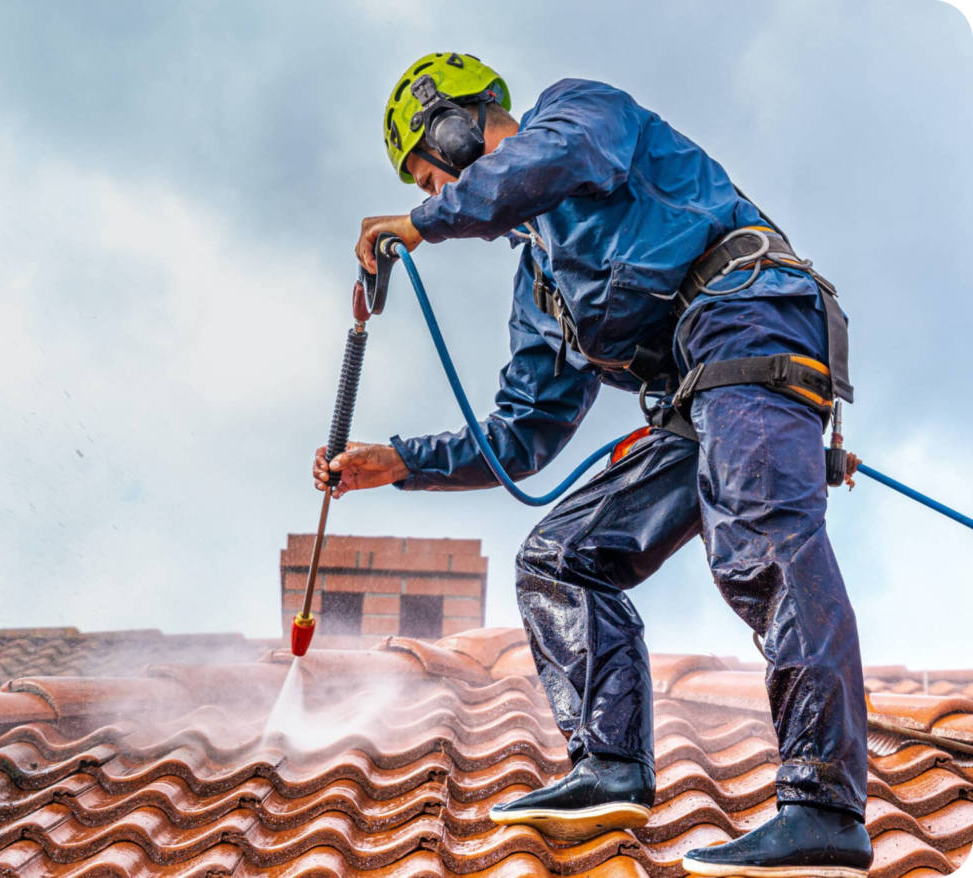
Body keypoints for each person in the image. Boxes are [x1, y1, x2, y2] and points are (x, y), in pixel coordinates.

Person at [314, 52, 874, 878]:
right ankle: (609, 765)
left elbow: (557, 160)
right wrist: (394, 462)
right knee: (559, 557)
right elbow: (521, 435)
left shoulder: (578, 114)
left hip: (752, 323)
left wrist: (423, 225)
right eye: (423, 187)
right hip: (696, 395)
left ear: (461, 121)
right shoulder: (540, 284)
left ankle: (824, 807)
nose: (431, 194)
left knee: (758, 539)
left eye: (429, 171)